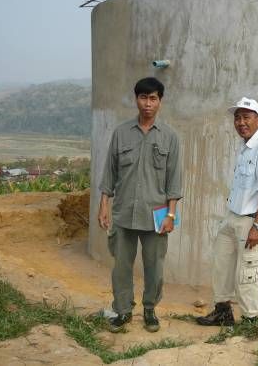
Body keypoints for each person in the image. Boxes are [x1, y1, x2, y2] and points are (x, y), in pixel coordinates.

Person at [98, 77, 182, 333]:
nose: (148, 103)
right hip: (124, 212)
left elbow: (175, 181)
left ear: (160, 101)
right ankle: (123, 310)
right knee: (121, 267)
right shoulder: (121, 133)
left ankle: (149, 309)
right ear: (136, 100)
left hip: (156, 214)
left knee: (154, 266)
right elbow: (110, 173)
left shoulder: (170, 137)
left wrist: (171, 215)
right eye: (143, 98)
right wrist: (104, 206)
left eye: (153, 98)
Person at [197, 97, 258, 326]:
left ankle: (252, 322)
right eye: (237, 117)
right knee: (221, 264)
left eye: (246, 117)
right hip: (232, 219)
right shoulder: (245, 148)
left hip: (251, 221)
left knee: (249, 274)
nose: (241, 122)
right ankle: (223, 311)